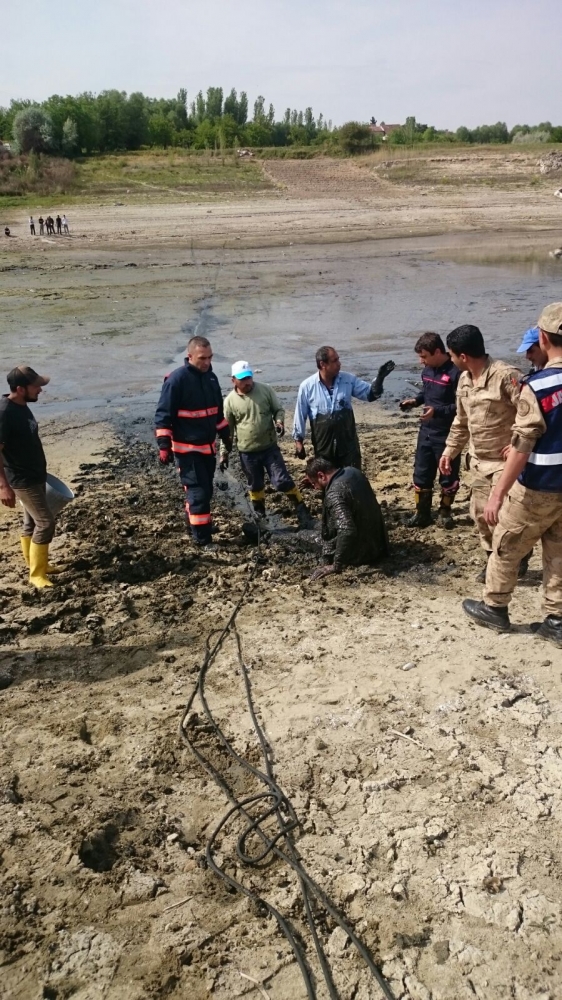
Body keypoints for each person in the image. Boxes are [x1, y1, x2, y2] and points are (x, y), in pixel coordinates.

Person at [462, 303, 562, 647]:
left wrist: (497, 493)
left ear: (544, 339)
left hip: (538, 486)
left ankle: (495, 607)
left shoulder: (539, 385)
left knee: (506, 544)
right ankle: (556, 618)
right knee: (558, 552)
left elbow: (522, 444)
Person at [438, 325, 522, 580]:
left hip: (504, 464)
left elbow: (533, 415)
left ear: (462, 356)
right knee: (480, 516)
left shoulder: (506, 376)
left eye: (451, 355)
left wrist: (519, 443)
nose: (450, 360)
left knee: (502, 519)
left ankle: (506, 565)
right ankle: (492, 559)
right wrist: (449, 451)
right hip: (478, 461)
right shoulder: (464, 380)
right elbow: (461, 422)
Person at [154, 336, 231, 547]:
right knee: (198, 493)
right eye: (202, 358)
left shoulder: (211, 379)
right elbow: (163, 415)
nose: (207, 362)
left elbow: (217, 413)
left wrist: (226, 434)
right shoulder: (176, 380)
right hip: (187, 450)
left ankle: (195, 524)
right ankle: (202, 540)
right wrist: (163, 446)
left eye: (210, 357)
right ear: (190, 357)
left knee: (206, 491)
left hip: (207, 449)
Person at [220, 360, 314, 527]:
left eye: (249, 377)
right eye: (243, 379)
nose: (248, 382)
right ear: (233, 380)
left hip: (269, 448)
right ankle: (260, 516)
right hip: (247, 452)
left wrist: (279, 422)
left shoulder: (265, 390)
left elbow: (278, 410)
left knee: (281, 481)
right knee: (255, 484)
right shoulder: (229, 402)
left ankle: (301, 509)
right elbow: (228, 432)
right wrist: (224, 454)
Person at [0, 365, 62, 588]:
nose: (40, 390)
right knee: (46, 523)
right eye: (36, 386)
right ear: (20, 388)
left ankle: (38, 565)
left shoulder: (22, 405)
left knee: (31, 523)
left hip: (35, 475)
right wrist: (3, 487)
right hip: (21, 479)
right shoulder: (4, 412)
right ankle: (36, 574)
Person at [293, 347, 395, 470]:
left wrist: (380, 378)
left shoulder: (348, 380)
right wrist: (298, 442)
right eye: (334, 361)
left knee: (352, 480)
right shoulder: (307, 387)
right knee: (329, 484)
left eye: (338, 359)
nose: (339, 363)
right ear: (323, 364)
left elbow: (370, 394)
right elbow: (300, 415)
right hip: (323, 448)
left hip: (348, 446)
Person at [400, 332, 461, 527]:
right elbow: (426, 392)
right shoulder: (427, 371)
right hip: (426, 432)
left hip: (447, 434)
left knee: (448, 475)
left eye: (424, 356)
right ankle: (422, 514)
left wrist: (437, 412)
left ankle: (444, 513)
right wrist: (415, 401)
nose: (421, 361)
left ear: (437, 352)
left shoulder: (456, 372)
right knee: (421, 473)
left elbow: (461, 405)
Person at [305, 456, 389, 581]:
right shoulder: (353, 472)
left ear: (321, 475)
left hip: (361, 552)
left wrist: (336, 565)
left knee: (302, 537)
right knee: (315, 525)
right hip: (379, 543)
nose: (315, 488)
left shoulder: (334, 493)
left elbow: (347, 530)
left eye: (314, 484)